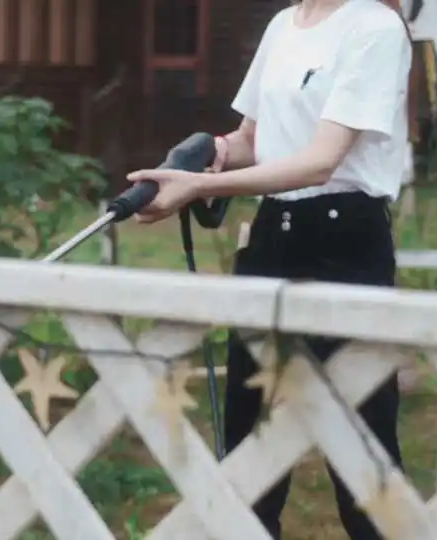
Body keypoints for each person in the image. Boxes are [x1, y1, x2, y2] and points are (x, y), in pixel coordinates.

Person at [126, 0, 412, 538]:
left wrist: (200, 187)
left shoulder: (375, 27)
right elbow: (253, 140)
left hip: (344, 242)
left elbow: (321, 161)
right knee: (248, 445)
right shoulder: (285, 24)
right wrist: (211, 153)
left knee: (362, 451)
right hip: (271, 237)